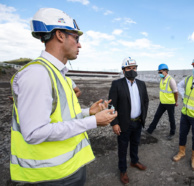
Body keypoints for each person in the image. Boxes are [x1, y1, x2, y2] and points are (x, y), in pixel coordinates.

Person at [10, 8, 117, 185]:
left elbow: (61, 114)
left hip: (68, 168)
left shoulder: (59, 75)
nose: (79, 44)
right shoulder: (38, 74)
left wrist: (87, 112)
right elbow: (34, 133)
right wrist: (93, 122)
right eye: (76, 38)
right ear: (60, 35)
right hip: (51, 176)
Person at [109, 57, 149, 185]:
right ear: (123, 70)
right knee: (122, 147)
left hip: (138, 122)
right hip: (123, 123)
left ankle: (134, 161)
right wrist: (114, 123)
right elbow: (111, 105)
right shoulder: (117, 84)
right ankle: (123, 170)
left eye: (134, 68)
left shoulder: (141, 84)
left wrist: (143, 116)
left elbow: (146, 101)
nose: (132, 70)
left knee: (135, 143)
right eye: (129, 68)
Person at [145, 63, 178, 140]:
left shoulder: (171, 80)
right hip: (162, 102)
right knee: (157, 116)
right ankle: (150, 130)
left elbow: (176, 92)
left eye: (160, 72)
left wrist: (175, 102)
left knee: (171, 118)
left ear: (165, 71)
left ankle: (172, 132)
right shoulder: (162, 79)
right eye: (158, 72)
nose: (159, 74)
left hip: (170, 103)